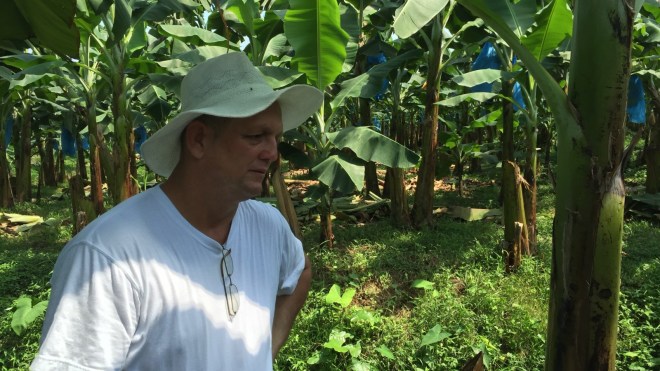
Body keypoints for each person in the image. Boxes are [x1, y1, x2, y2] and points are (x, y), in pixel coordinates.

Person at [31, 52, 324, 370]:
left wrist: (264, 353)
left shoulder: (269, 227)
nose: (273, 153)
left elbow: (300, 270)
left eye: (276, 138)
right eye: (256, 137)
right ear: (199, 139)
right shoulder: (109, 256)